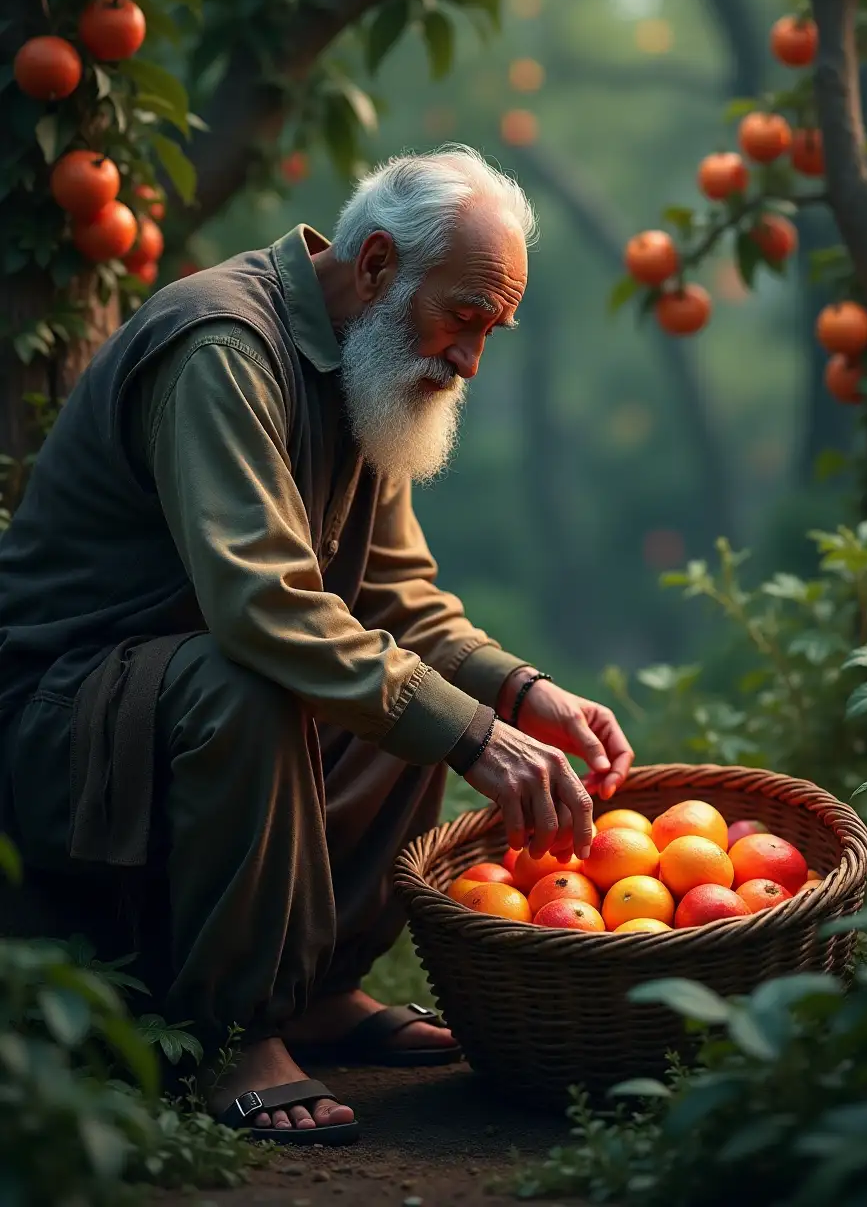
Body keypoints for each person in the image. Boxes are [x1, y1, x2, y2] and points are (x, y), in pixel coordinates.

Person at [0, 145, 633, 1144]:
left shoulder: (366, 360)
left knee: (399, 680)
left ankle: (317, 988)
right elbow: (260, 608)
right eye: (464, 316)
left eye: (491, 330)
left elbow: (399, 598)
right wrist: (471, 736)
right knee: (253, 676)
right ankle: (227, 1031)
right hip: (58, 725)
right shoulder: (221, 346)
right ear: (377, 263)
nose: (470, 358)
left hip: (170, 695)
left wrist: (518, 695)